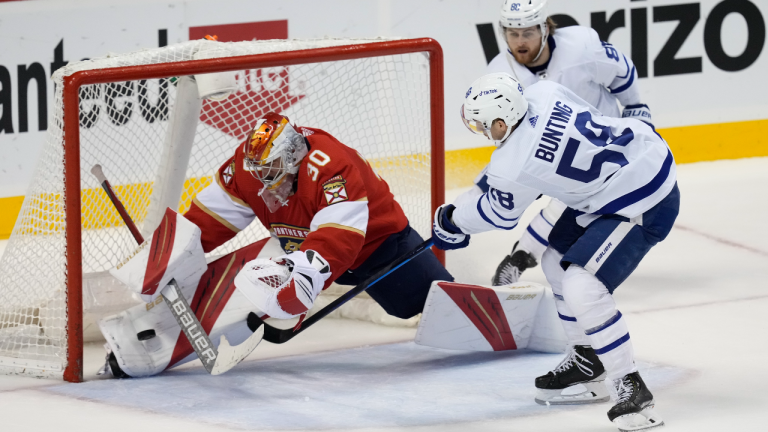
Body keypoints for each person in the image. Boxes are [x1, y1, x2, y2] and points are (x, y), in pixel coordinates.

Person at [99, 112, 452, 378]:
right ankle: (137, 348)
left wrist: (305, 277)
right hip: (297, 249)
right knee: (243, 285)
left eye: (274, 170)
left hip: (378, 246)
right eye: (259, 171)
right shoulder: (249, 167)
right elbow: (211, 219)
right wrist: (169, 256)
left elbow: (340, 237)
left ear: (295, 156)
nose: (264, 180)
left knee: (420, 305)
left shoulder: (331, 167)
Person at [434, 73, 676, 431]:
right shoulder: (543, 92)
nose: (482, 132)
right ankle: (586, 360)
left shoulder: (512, 165)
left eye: (484, 125)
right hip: (636, 159)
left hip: (642, 198)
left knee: (583, 286)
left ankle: (631, 387)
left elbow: (499, 213)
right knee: (554, 260)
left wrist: (453, 222)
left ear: (502, 122)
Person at [459, 0, 651, 286]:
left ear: (545, 29)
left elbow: (621, 74)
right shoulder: (500, 74)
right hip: (551, 146)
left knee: (566, 202)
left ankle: (519, 257)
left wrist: (636, 109)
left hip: (602, 142)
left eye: (527, 33)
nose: (519, 41)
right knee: (480, 191)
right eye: (512, 33)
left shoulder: (581, 45)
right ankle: (448, 240)